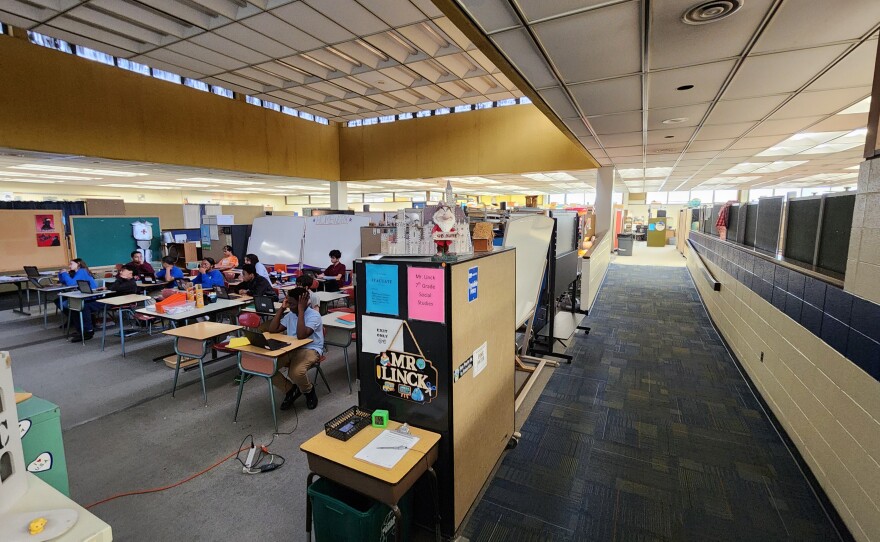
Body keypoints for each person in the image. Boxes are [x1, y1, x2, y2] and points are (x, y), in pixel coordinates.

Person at [266, 287, 323, 410]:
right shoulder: (291, 314)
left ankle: (309, 391)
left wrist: (301, 310)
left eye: (292, 303)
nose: (290, 306)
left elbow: (301, 336)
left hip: (310, 349)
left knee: (296, 373)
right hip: (291, 348)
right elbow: (272, 329)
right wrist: (282, 308)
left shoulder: (314, 315)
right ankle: (291, 390)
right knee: (267, 367)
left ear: (302, 304)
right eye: (288, 302)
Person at [72, 265, 139, 341]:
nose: (120, 272)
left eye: (123, 271)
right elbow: (113, 287)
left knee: (85, 306)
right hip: (111, 300)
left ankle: (88, 331)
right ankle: (80, 330)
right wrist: (108, 287)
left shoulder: (131, 283)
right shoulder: (123, 281)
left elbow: (114, 288)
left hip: (118, 302)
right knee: (79, 304)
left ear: (130, 273)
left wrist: (119, 279)